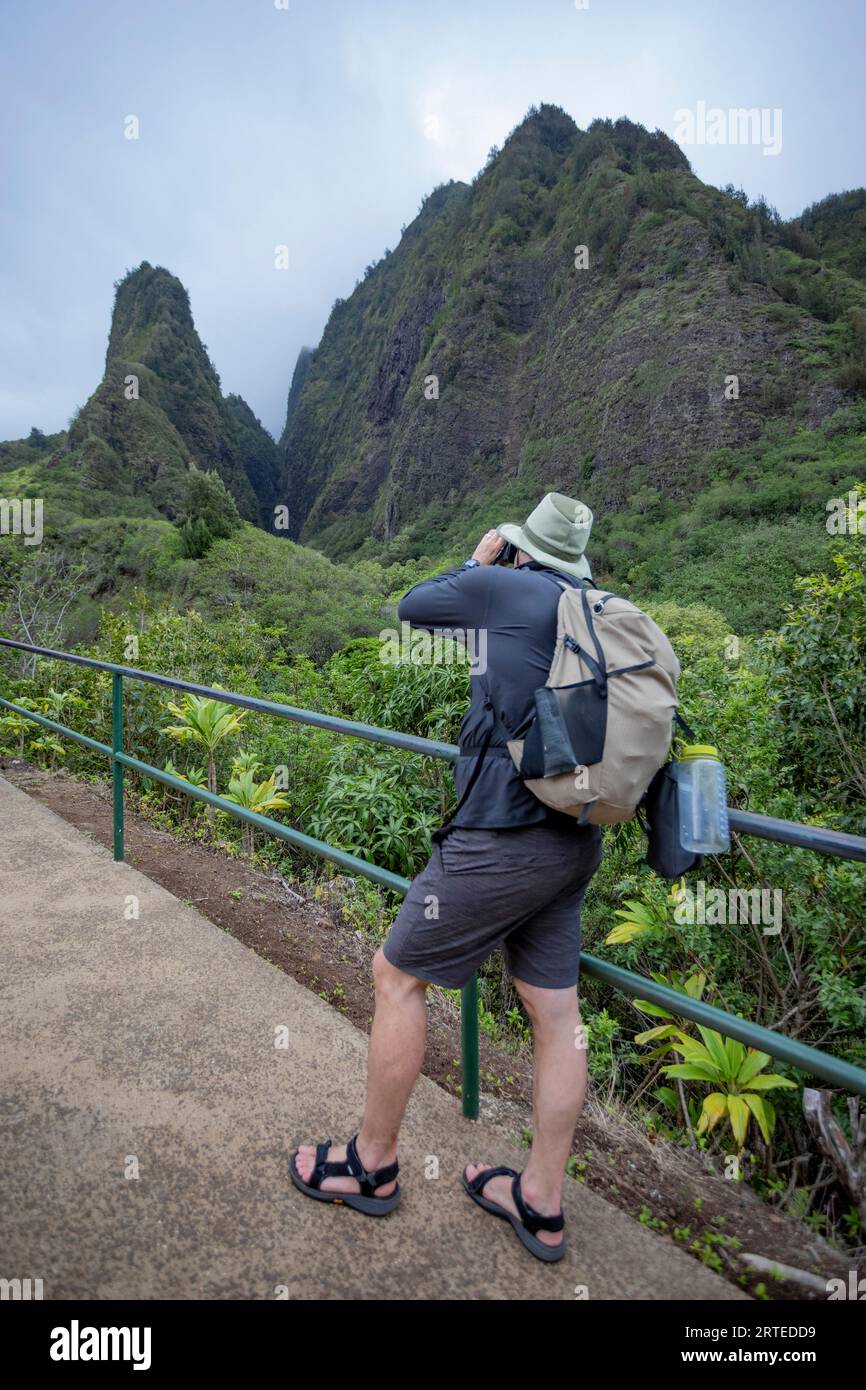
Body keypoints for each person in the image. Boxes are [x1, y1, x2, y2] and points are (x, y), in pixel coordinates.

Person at [291, 492, 604, 1262]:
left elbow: (413, 605)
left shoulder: (508, 584)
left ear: (523, 547)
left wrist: (478, 558)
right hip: (576, 839)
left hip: (500, 837)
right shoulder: (596, 607)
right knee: (555, 1015)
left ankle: (371, 1165)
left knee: (396, 975)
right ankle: (541, 1201)